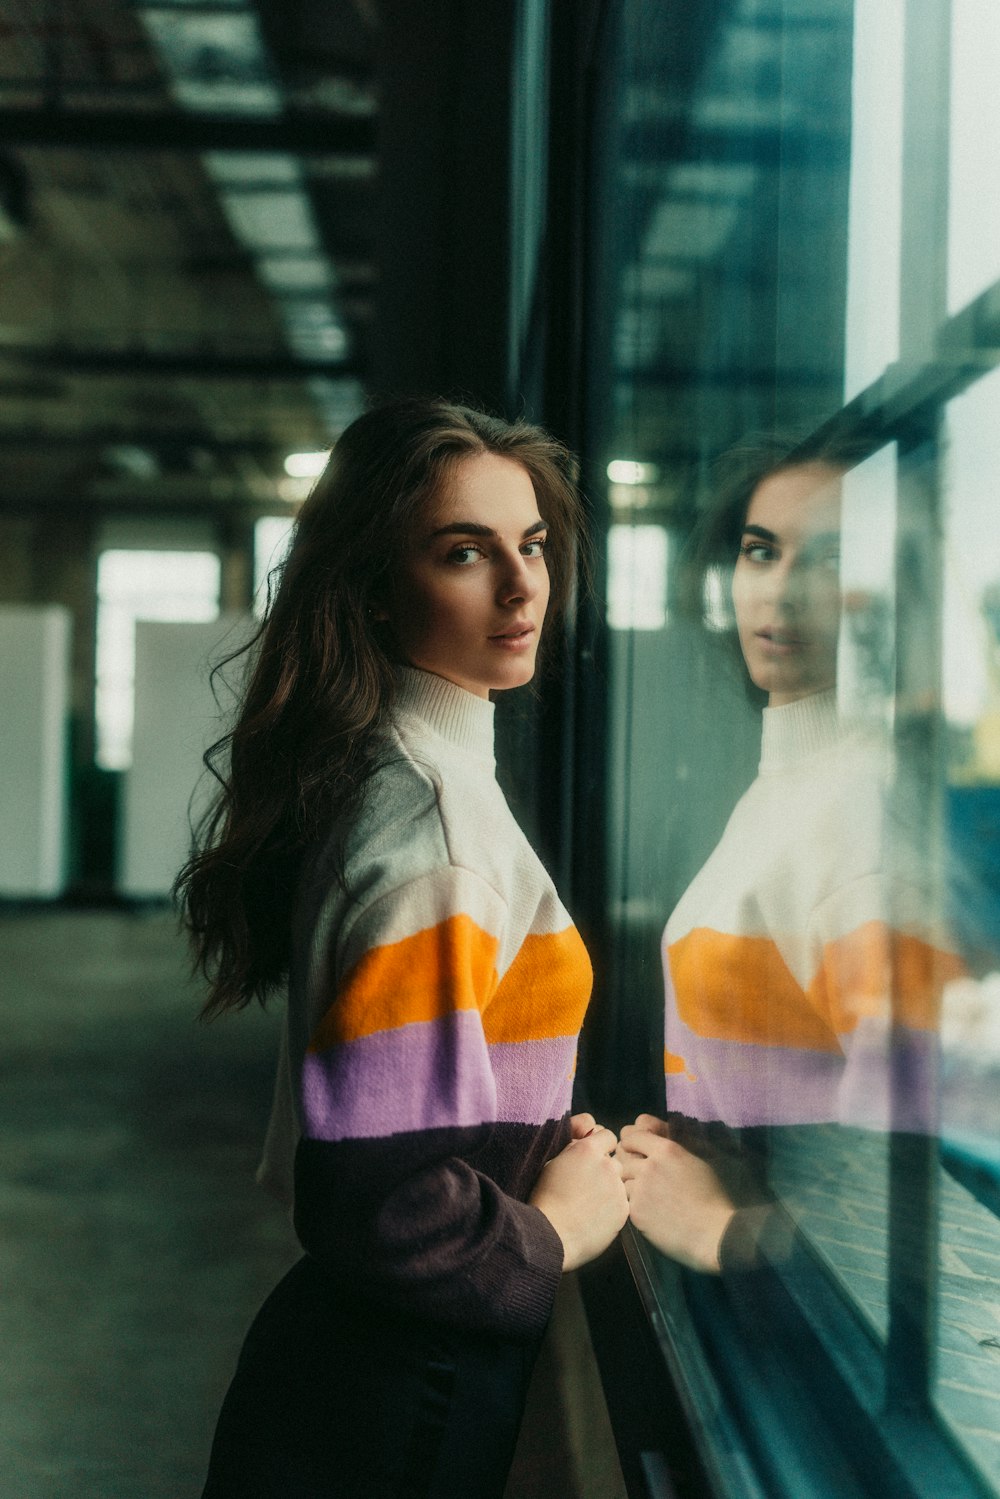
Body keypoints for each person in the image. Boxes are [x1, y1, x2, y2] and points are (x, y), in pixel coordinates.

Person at [175, 397, 629, 1498]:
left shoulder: (419, 772)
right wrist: (558, 1227)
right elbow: (376, 1198)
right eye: (464, 552)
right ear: (375, 587)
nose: (521, 587)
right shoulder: (428, 819)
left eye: (531, 545)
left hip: (376, 1359)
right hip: (392, 1374)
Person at [619, 439, 963, 1273]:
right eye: (761, 550)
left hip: (793, 1347)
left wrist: (720, 1230)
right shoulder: (793, 783)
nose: (782, 589)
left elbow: (928, 1206)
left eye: (833, 556)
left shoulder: (861, 815)